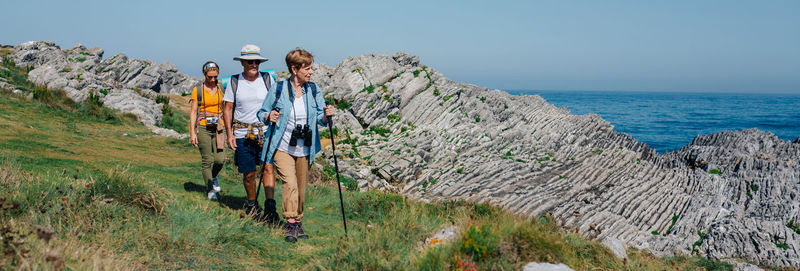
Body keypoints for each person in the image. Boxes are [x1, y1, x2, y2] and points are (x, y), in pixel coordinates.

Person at [258, 49, 335, 242]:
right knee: (290, 183)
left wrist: (327, 115)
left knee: (301, 187)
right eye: (307, 69)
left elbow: (320, 117)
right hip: (282, 146)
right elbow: (262, 112)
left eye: (311, 68)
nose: (311, 72)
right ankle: (290, 224)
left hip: (305, 147)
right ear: (294, 69)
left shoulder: (314, 90)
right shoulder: (278, 89)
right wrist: (269, 116)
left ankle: (298, 222)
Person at [222, 44, 280, 222]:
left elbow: (277, 103)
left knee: (268, 167)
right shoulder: (234, 82)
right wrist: (229, 134)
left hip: (266, 131)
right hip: (242, 132)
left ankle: (270, 207)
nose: (253, 64)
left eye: (256, 61)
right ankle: (253, 205)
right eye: (249, 61)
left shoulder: (268, 79)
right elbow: (228, 108)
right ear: (243, 63)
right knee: (248, 172)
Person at [189, 61, 225, 200]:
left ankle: (213, 176)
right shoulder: (197, 90)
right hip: (203, 126)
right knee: (206, 160)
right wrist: (192, 132)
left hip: (219, 127)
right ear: (204, 75)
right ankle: (210, 190)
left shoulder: (221, 88)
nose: (213, 80)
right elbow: (193, 112)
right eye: (210, 77)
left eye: (215, 76)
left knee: (220, 160)